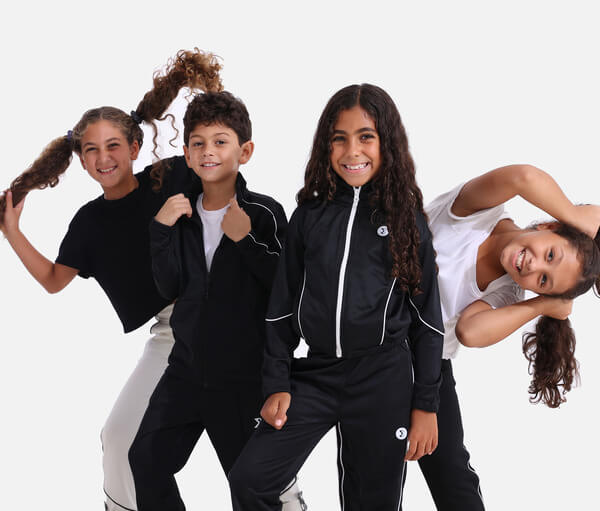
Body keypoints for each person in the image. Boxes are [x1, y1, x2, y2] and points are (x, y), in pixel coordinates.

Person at [0, 49, 223, 511]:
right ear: (80, 160)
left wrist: (210, 98)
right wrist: (13, 232)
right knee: (118, 438)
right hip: (170, 333)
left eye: (114, 146)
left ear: (135, 148)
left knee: (253, 439)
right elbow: (54, 280)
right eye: (91, 150)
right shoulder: (88, 224)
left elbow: (221, 155)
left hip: (225, 313)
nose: (104, 158)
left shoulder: (173, 175)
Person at [228, 83, 445, 510]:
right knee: (250, 479)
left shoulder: (406, 220)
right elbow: (281, 307)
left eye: (366, 137)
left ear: (387, 143)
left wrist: (426, 405)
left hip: (382, 379)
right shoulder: (309, 216)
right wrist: (277, 382)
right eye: (339, 139)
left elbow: (426, 320)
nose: (352, 151)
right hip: (317, 373)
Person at [128, 90, 306, 511]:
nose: (208, 151)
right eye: (198, 143)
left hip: (244, 379)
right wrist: (160, 230)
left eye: (220, 141)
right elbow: (169, 286)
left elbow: (286, 290)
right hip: (186, 373)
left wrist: (246, 240)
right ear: (188, 155)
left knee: (248, 486)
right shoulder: (179, 215)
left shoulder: (264, 213)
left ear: (245, 151)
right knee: (145, 460)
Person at [410, 164, 600, 510]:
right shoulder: (474, 212)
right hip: (377, 334)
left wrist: (543, 304)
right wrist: (576, 216)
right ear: (547, 226)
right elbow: (521, 178)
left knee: (453, 477)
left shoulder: (508, 294)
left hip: (427, 364)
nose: (533, 266)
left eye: (544, 281)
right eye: (550, 254)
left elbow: (469, 331)